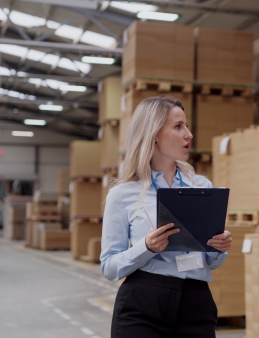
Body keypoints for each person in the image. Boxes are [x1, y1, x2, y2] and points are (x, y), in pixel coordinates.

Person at [100, 96, 232, 338]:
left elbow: (212, 262)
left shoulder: (202, 187)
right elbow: (109, 267)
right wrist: (146, 247)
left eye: (187, 126)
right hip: (142, 306)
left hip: (196, 303)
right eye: (178, 126)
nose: (189, 134)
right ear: (154, 134)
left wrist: (218, 247)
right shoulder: (122, 195)